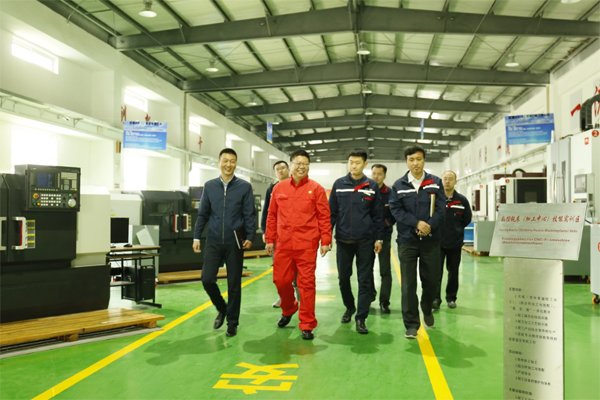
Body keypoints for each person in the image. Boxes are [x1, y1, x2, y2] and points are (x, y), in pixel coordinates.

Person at [265, 150, 331, 340]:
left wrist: (325, 240)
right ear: (291, 165)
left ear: (308, 167)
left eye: (305, 164)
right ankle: (289, 308)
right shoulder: (279, 188)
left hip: (306, 245)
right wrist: (269, 238)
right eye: (298, 163)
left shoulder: (316, 189)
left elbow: (324, 216)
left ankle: (307, 324)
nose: (301, 167)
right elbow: (272, 215)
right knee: (281, 281)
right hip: (283, 244)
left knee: (306, 284)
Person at [192, 148, 255, 338]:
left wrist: (250, 236)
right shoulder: (210, 186)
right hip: (213, 241)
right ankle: (222, 307)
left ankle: (232, 323)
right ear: (219, 162)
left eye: (232, 161)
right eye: (225, 161)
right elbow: (203, 214)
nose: (229, 164)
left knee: (234, 284)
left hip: (234, 242)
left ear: (236, 164)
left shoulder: (244, 187)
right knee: (207, 279)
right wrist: (196, 236)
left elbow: (249, 214)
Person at [389, 145, 445, 339]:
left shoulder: (435, 183)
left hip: (431, 240)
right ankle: (412, 324)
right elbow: (396, 211)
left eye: (419, 159)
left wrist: (428, 226)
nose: (415, 163)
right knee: (408, 284)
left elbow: (441, 210)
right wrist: (417, 223)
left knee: (432, 280)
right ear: (407, 162)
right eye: (411, 159)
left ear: (424, 161)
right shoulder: (399, 185)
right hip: (407, 241)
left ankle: (426, 306)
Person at [329, 148, 383, 334]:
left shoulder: (372, 186)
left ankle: (361, 317)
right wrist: (326, 237)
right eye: (351, 162)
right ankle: (350, 306)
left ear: (365, 164)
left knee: (364, 279)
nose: (353, 166)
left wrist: (379, 238)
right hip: (343, 240)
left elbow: (377, 215)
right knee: (343, 278)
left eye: (357, 162)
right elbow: (331, 213)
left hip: (365, 241)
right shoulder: (339, 184)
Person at [260, 160, 299, 308]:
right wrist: (265, 231)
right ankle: (283, 296)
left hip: (295, 235)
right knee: (280, 269)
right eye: (278, 169)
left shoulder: (296, 186)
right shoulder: (272, 189)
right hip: (277, 235)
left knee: (296, 267)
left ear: (289, 170)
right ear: (275, 173)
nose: (281, 171)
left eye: (283, 168)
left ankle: (298, 294)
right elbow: (267, 212)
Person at [433, 171, 472, 311]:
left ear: (455, 182)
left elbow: (467, 219)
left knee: (453, 272)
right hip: (437, 242)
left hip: (455, 243)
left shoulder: (462, 200)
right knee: (436, 273)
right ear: (441, 181)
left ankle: (451, 298)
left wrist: (456, 230)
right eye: (445, 179)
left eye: (450, 179)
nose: (447, 181)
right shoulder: (435, 199)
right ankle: (435, 299)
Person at [370, 164, 396, 314]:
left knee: (385, 270)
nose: (376, 177)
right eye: (373, 173)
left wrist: (385, 224)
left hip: (385, 236)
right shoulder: (366, 191)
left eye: (379, 174)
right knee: (366, 269)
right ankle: (370, 295)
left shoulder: (391, 193)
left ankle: (384, 301)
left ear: (384, 176)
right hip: (367, 236)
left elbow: (395, 214)